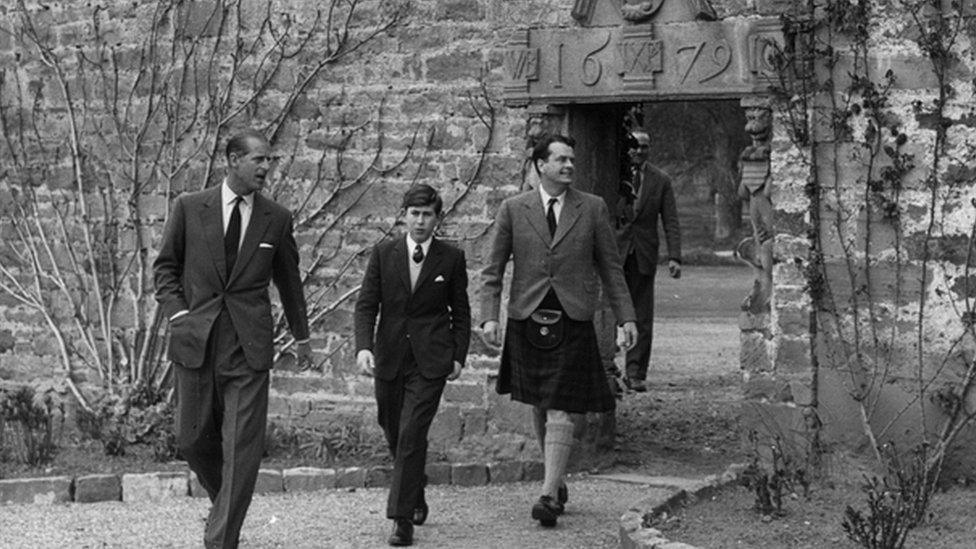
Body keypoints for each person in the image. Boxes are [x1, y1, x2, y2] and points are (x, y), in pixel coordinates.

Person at [153, 129, 312, 549]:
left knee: (242, 446)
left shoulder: (275, 217)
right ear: (232, 161)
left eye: (269, 160)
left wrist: (302, 337)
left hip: (248, 347)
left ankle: (221, 539)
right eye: (258, 159)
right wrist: (180, 315)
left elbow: (290, 281)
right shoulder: (189, 208)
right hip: (196, 343)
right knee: (190, 439)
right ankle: (225, 502)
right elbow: (165, 269)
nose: (266, 167)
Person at [481, 134, 638, 528]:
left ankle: (548, 494)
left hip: (572, 315)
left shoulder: (593, 208)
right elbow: (492, 270)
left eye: (572, 159)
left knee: (560, 403)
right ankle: (558, 475)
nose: (569, 165)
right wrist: (489, 317)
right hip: (528, 315)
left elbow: (611, 267)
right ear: (540, 165)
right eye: (561, 159)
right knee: (539, 400)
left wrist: (626, 317)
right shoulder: (514, 209)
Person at [354, 184, 471, 547]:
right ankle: (414, 489)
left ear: (438, 219)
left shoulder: (450, 258)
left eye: (428, 215)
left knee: (411, 433)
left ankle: (400, 519)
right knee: (391, 427)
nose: (420, 222)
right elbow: (366, 305)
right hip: (389, 357)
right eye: (415, 214)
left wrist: (458, 355)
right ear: (404, 215)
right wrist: (363, 348)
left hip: (431, 360)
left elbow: (461, 312)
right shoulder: (383, 253)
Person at [614, 129, 682, 393]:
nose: (639, 151)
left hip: (643, 253)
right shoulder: (615, 175)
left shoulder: (660, 180)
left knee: (642, 314)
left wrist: (674, 256)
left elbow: (671, 220)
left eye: (644, 147)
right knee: (610, 311)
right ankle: (607, 369)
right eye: (635, 146)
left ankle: (636, 373)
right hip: (616, 252)